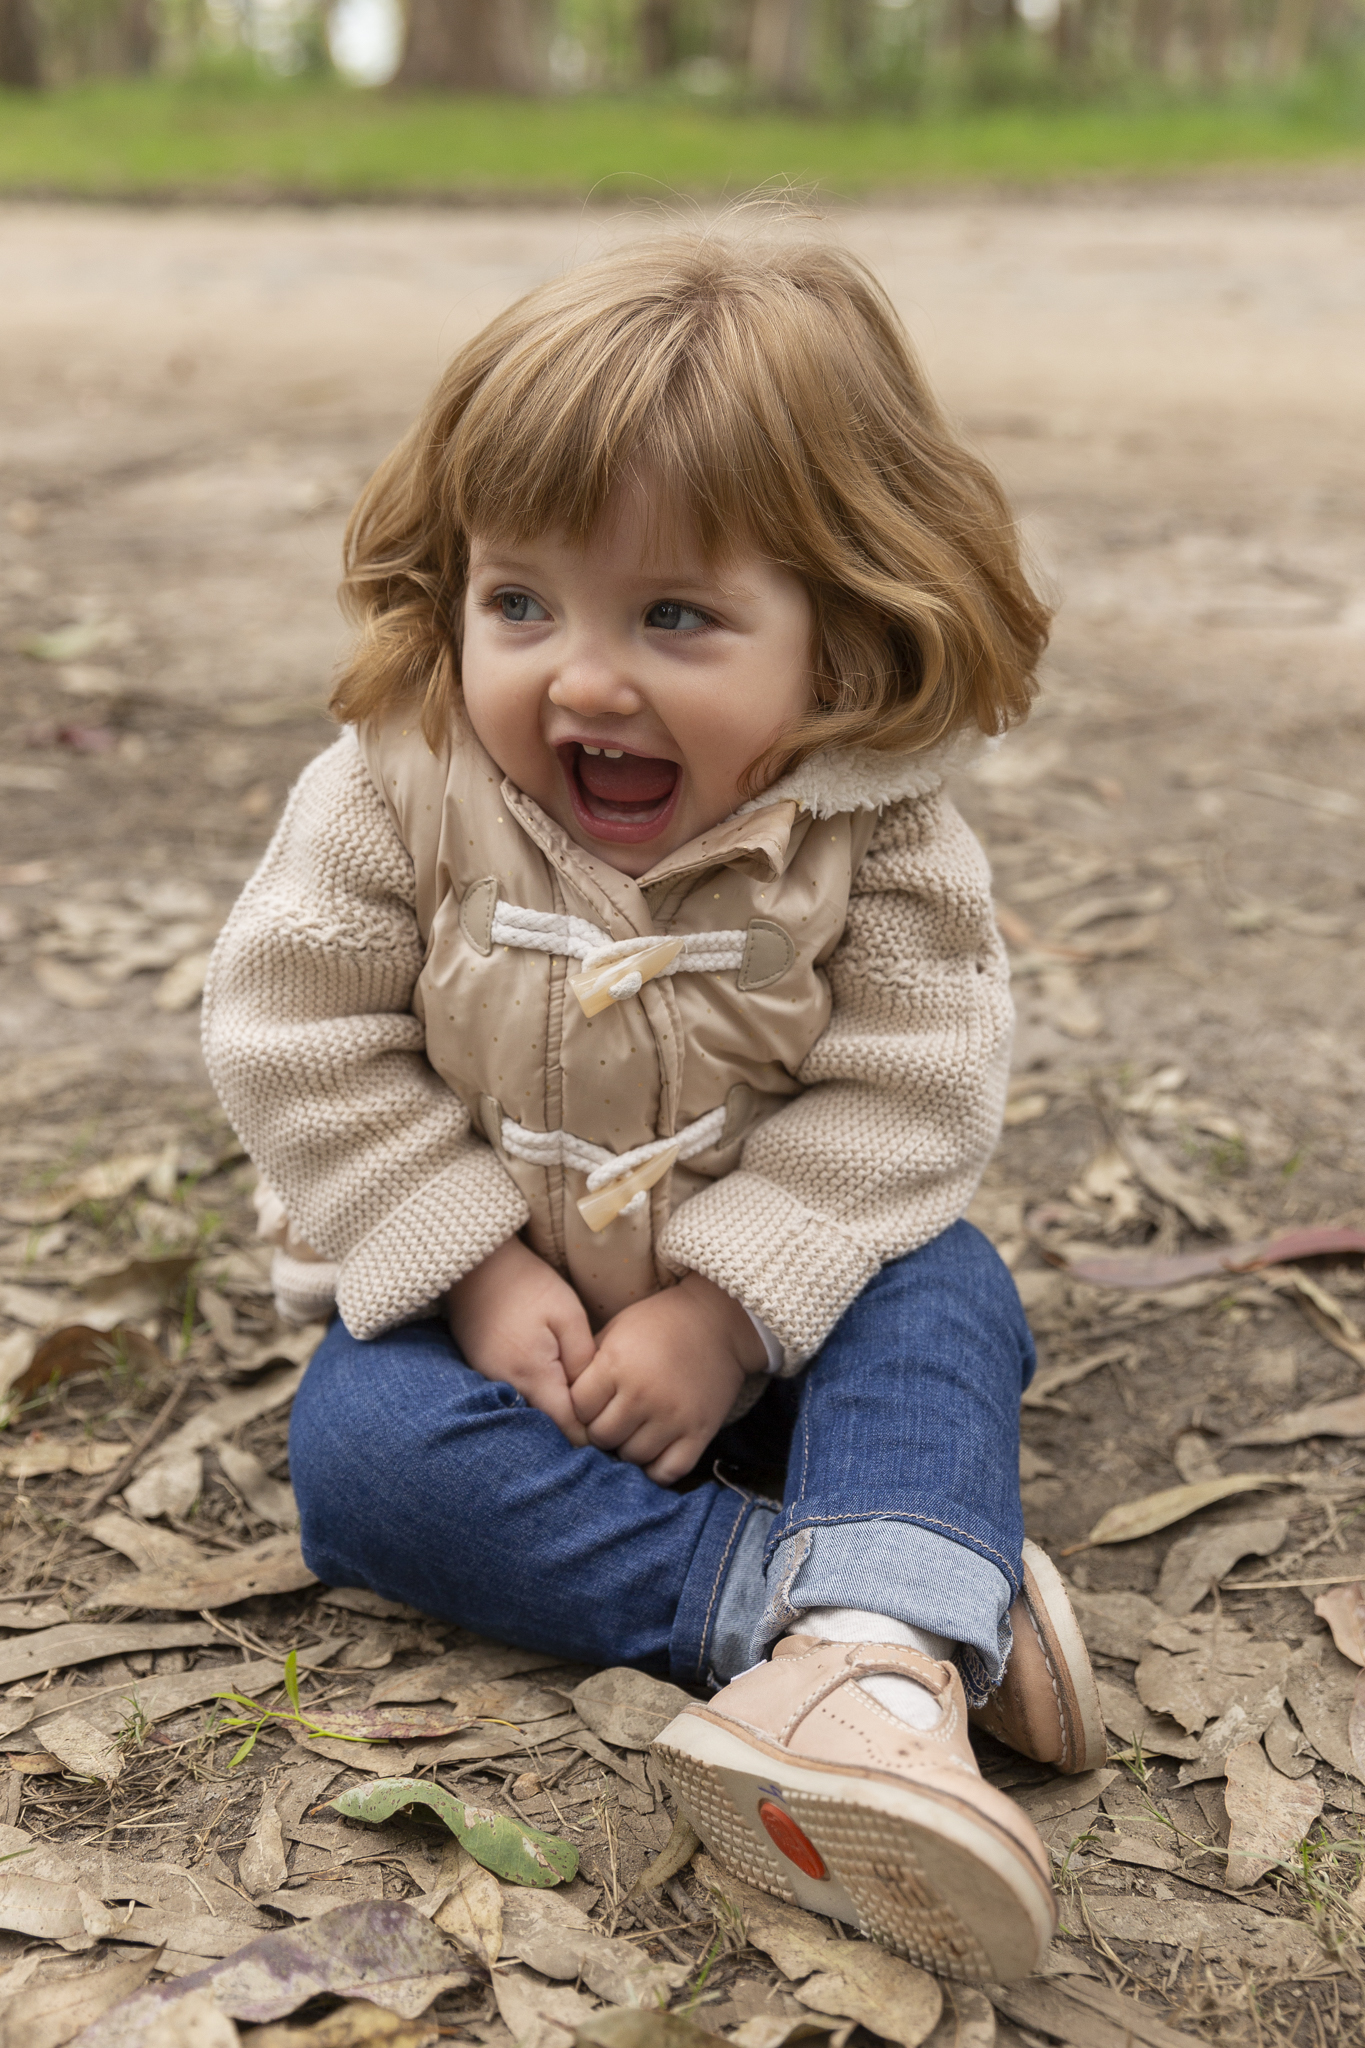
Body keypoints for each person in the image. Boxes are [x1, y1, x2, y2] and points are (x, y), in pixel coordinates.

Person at [203, 226, 1104, 1984]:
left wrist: (723, 1308)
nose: (583, 678)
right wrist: (470, 1265)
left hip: (781, 1301)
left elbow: (908, 1090)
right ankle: (863, 1627)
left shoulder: (877, 826)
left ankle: (877, 1622)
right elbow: (295, 1030)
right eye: (519, 604)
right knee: (363, 1458)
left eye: (673, 617)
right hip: (495, 1313)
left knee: (946, 1294)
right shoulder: (397, 786)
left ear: (843, 629)